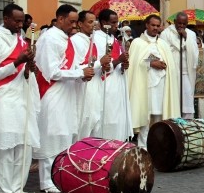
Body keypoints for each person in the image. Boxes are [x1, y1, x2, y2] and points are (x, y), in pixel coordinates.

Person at [34, 4, 94, 193]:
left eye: (76, 21)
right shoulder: (49, 39)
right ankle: (47, 180)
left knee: (66, 133)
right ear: (60, 19)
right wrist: (78, 72)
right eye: (72, 21)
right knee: (53, 135)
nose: (75, 25)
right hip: (53, 92)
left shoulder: (65, 39)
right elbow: (50, 71)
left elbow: (74, 65)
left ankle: (61, 175)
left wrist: (83, 73)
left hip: (67, 92)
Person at [0, 4, 39, 193]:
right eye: (16, 21)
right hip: (4, 95)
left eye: (21, 21)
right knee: (7, 145)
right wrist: (17, 62)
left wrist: (28, 67)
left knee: (24, 144)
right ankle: (3, 189)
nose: (20, 24)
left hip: (22, 95)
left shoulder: (21, 40)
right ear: (6, 19)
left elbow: (24, 72)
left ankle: (18, 187)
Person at [127, 14, 180, 148]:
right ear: (147, 25)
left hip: (161, 85)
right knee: (146, 116)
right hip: (145, 86)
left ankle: (157, 148)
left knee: (159, 116)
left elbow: (170, 64)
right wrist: (151, 63)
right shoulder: (137, 43)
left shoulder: (163, 44)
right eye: (153, 25)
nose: (155, 28)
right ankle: (143, 147)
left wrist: (163, 64)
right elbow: (135, 62)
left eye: (158, 26)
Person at [94, 9, 132, 140]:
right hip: (106, 84)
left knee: (117, 119)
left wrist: (123, 66)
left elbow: (117, 63)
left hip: (118, 84)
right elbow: (100, 66)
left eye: (117, 22)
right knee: (107, 119)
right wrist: (118, 61)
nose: (117, 25)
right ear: (104, 23)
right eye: (113, 22)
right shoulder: (96, 39)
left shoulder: (114, 39)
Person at [70, 11, 103, 139]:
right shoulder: (75, 41)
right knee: (82, 124)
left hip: (95, 87)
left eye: (95, 22)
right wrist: (100, 63)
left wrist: (104, 66)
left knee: (94, 122)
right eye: (90, 22)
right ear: (80, 24)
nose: (93, 25)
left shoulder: (91, 41)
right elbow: (75, 68)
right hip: (83, 88)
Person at [160, 12, 199, 119]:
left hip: (186, 71)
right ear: (175, 22)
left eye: (184, 24)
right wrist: (178, 46)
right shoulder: (166, 33)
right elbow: (163, 51)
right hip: (172, 71)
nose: (181, 26)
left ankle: (187, 122)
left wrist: (187, 39)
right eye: (179, 23)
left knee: (187, 97)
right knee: (173, 98)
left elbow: (195, 52)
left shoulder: (191, 34)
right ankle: (174, 122)